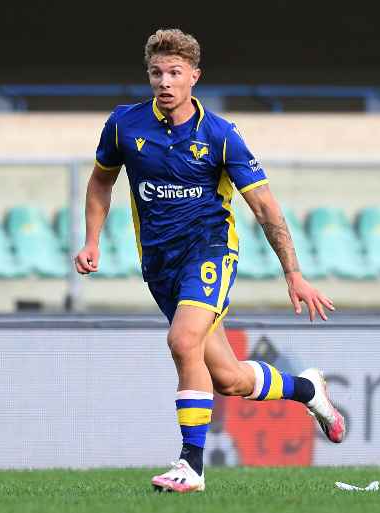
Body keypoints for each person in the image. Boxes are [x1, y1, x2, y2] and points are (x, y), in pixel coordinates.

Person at [75, 28, 344, 493]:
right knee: (230, 379)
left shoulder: (221, 135)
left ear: (194, 77)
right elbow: (102, 180)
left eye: (175, 73)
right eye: (157, 72)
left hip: (210, 253)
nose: (164, 81)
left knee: (183, 341)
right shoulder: (124, 125)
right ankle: (308, 390)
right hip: (160, 265)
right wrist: (92, 240)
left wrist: (293, 273)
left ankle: (191, 466)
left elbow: (265, 207)